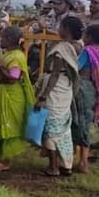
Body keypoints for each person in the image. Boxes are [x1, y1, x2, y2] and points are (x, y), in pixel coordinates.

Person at [36, 16, 82, 177]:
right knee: (63, 128)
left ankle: (53, 166)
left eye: (61, 27)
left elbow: (55, 75)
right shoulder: (77, 46)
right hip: (66, 89)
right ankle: (66, 165)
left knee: (50, 127)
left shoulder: (61, 49)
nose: (58, 29)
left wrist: (43, 96)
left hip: (55, 89)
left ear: (66, 29)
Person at [0, 26, 35, 172]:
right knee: (1, 123)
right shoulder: (9, 54)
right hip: (4, 93)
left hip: (12, 95)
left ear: (9, 40)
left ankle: (5, 160)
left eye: (2, 38)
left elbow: (14, 78)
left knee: (10, 126)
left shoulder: (16, 56)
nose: (0, 40)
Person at [72, 24, 99, 173]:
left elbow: (76, 66)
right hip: (94, 89)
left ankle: (81, 161)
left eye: (85, 34)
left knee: (79, 121)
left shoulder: (87, 51)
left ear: (90, 37)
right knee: (86, 122)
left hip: (82, 86)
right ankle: (83, 160)